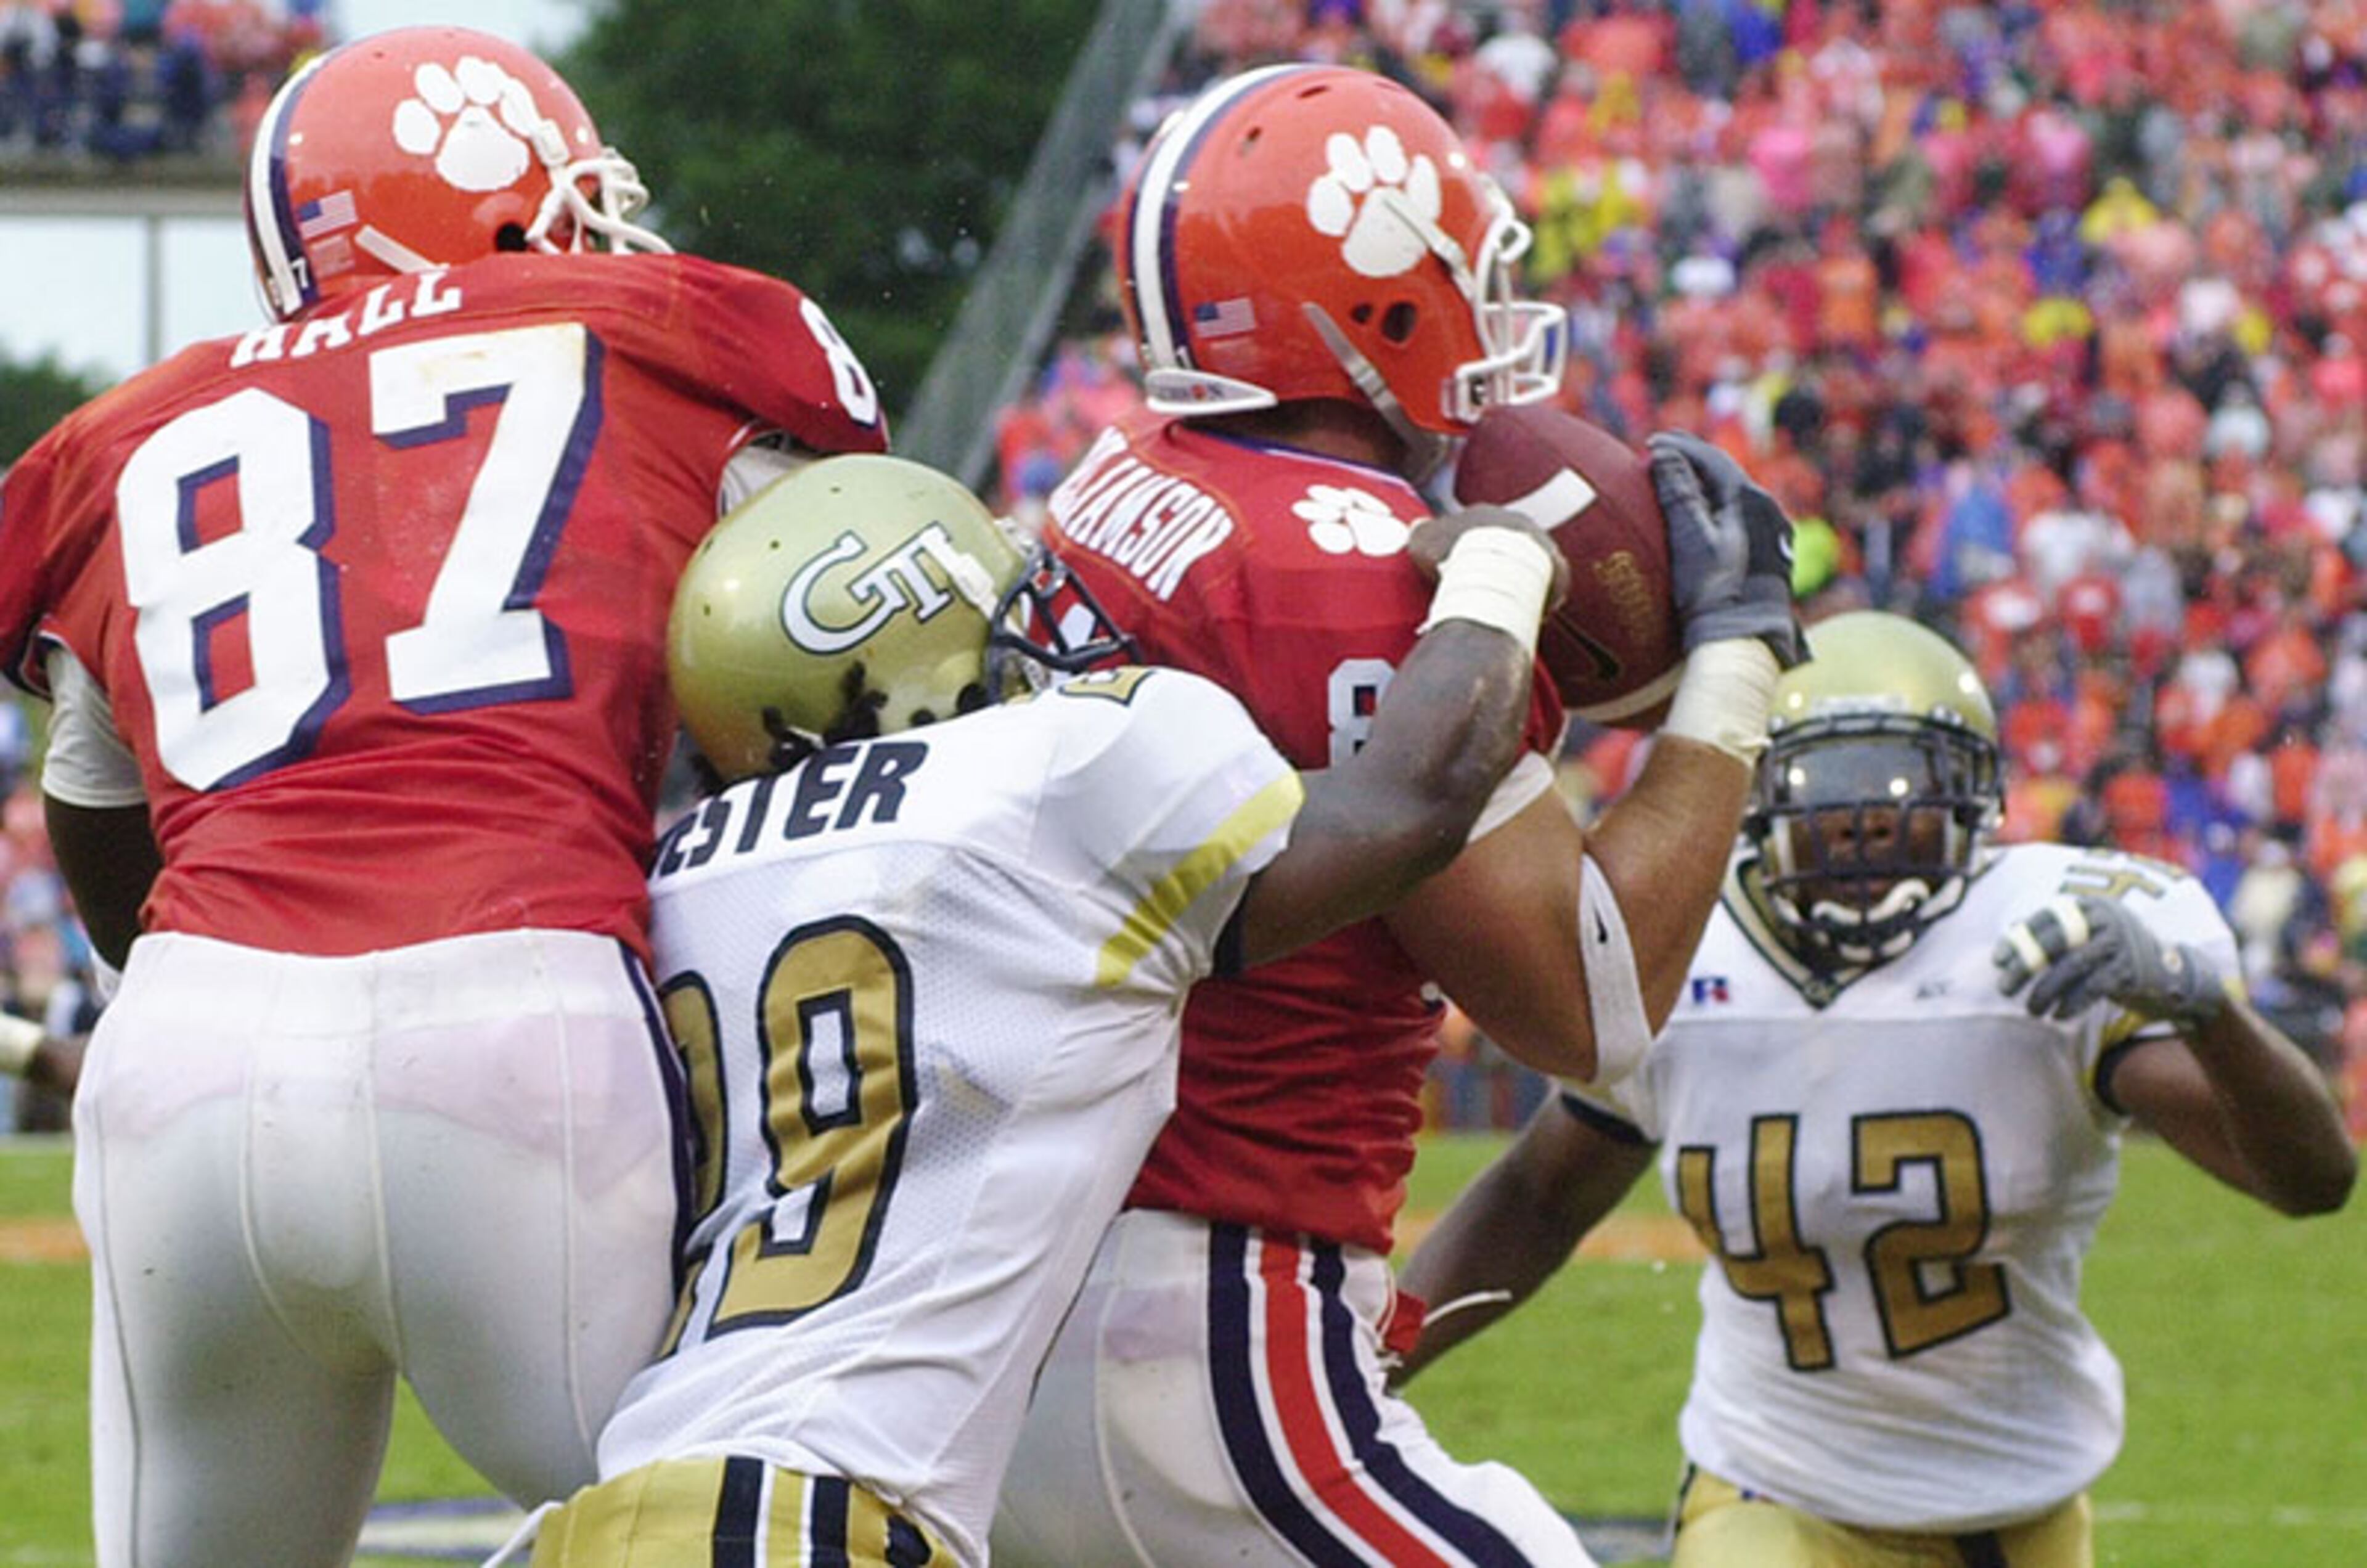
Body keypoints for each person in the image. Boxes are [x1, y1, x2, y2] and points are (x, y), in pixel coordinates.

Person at [0, 26, 889, 1567]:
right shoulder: (677, 335)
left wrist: (198, 1009)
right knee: (724, 1536)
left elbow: (100, 820)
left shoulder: (120, 443)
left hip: (189, 1065)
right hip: (521, 1026)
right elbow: (839, 676)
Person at [993, 62, 1805, 1568]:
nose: (1492, 323)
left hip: (1023, 1295)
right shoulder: (1354, 573)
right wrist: (1738, 660)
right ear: (1369, 302)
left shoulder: (1129, 475)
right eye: (1462, 278)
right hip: (1209, 1308)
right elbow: (1592, 1001)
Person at [494, 451, 1568, 1566]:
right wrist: (1497, 568)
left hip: (610, 1509)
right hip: (812, 1521)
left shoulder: (682, 872)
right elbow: (1416, 800)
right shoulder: (1047, 769)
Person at [1397, 611, 2357, 1567]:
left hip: (2023, 1500)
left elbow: (2313, 1180)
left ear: (1975, 802)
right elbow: (1540, 1195)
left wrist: (2209, 1015)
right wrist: (1372, 1363)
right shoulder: (1692, 954)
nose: (1862, 829)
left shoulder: (2045, 946)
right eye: (1829, 794)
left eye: (1898, 795)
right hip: (1773, 1490)